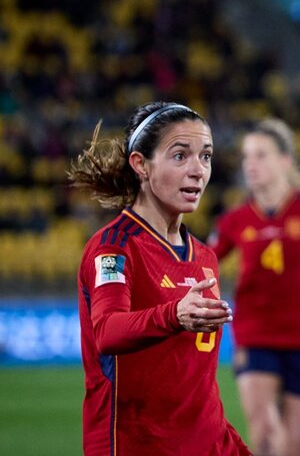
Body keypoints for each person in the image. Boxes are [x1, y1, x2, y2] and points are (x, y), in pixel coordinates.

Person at [69, 102, 249, 455]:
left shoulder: (206, 258)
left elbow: (198, 387)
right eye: (180, 156)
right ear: (141, 165)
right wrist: (173, 315)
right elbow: (107, 331)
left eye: (206, 156)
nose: (198, 170)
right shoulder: (114, 249)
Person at [210, 118, 300, 456]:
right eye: (246, 157)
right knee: (266, 437)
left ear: (285, 160)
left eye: (260, 155)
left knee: (295, 447)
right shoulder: (234, 220)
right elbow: (203, 263)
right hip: (255, 335)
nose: (250, 165)